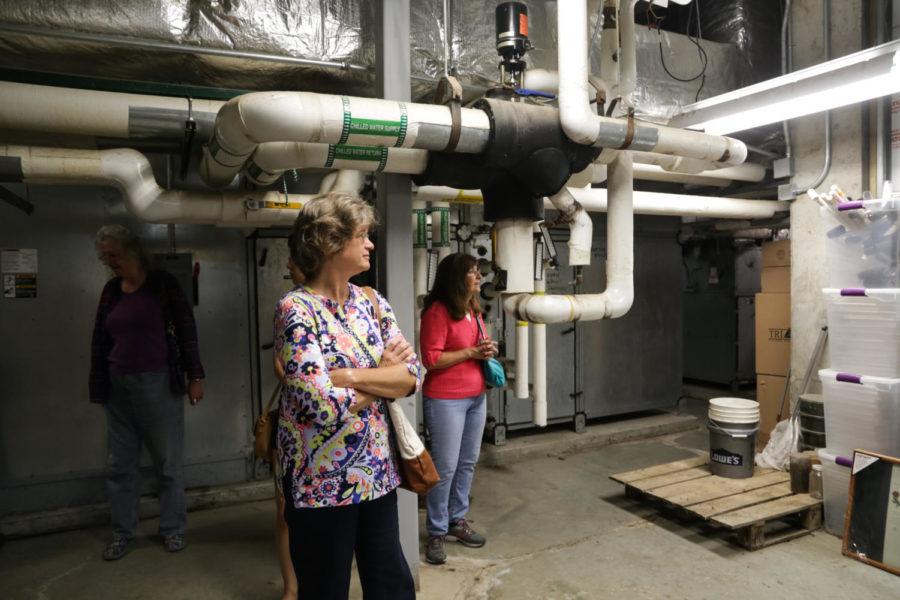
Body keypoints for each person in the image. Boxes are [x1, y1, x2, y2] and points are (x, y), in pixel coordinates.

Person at [274, 192, 420, 600]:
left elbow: (412, 376)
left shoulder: (371, 302)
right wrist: (381, 377)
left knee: (392, 585)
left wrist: (350, 376)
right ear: (330, 242)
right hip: (319, 483)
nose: (370, 244)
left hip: (377, 474)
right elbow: (319, 406)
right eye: (362, 235)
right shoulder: (296, 310)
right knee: (324, 588)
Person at [89, 224, 205, 561]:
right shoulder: (111, 291)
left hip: (157, 382)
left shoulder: (163, 286)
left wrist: (195, 375)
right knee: (120, 465)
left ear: (133, 251)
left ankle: (172, 529)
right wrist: (100, 384)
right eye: (105, 255)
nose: (109, 261)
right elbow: (100, 339)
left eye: (115, 254)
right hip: (118, 385)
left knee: (167, 462)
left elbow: (186, 330)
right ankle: (122, 532)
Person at [419, 252, 496, 565]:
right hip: (446, 399)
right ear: (456, 278)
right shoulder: (437, 312)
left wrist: (488, 349)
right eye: (472, 272)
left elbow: (479, 346)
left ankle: (456, 519)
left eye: (478, 271)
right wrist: (470, 352)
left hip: (476, 397)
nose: (478, 277)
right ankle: (436, 531)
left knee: (467, 463)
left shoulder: (472, 310)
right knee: (445, 467)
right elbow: (431, 359)